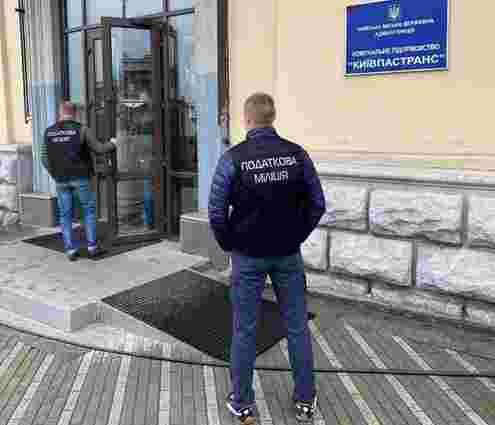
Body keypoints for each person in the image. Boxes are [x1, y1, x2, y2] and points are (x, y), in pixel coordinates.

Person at [208, 93, 326, 424]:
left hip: (248, 256)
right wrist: (296, 236)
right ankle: (305, 400)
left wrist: (230, 243)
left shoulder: (233, 159)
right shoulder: (297, 155)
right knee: (297, 326)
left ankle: (242, 403)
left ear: (247, 119)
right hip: (287, 254)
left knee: (244, 329)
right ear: (272, 118)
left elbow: (216, 212)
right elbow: (317, 204)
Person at [41, 101, 117, 261]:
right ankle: (92, 247)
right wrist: (113, 144)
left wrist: (54, 174)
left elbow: (44, 158)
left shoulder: (48, 132)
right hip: (80, 177)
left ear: (60, 112)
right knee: (88, 210)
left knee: (65, 214)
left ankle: (70, 250)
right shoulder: (82, 129)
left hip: (61, 179)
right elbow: (99, 149)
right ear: (74, 113)